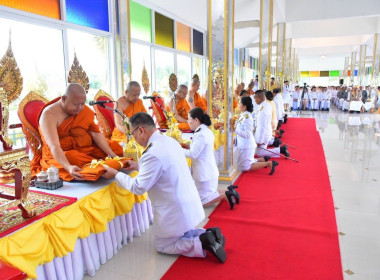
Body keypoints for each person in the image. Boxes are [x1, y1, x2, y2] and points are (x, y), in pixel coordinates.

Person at [101, 112, 227, 262]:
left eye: (133, 134)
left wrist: (116, 174)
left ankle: (201, 242)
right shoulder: (168, 141)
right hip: (189, 202)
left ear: (141, 130)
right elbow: (164, 167)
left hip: (175, 209)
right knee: (179, 233)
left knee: (163, 245)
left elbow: (138, 187)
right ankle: (206, 234)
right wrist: (138, 166)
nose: (133, 140)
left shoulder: (152, 153)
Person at [33, 83, 123, 181]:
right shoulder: (49, 115)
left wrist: (112, 154)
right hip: (59, 154)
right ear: (63, 99)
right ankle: (100, 168)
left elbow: (96, 133)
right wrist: (68, 167)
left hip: (84, 148)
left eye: (82, 104)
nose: (79, 108)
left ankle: (104, 166)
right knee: (73, 158)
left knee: (115, 147)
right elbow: (54, 146)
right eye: (75, 104)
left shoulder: (83, 110)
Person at [182, 108, 240, 209]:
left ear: (196, 120)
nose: (188, 121)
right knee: (209, 193)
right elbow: (199, 149)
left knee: (201, 202)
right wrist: (186, 145)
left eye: (189, 119)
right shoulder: (205, 130)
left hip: (205, 173)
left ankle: (224, 195)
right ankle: (229, 190)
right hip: (208, 171)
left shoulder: (201, 134)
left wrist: (178, 149)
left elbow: (193, 154)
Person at [235, 96, 279, 175]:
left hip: (247, 145)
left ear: (244, 106)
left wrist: (235, 129)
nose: (238, 105)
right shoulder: (243, 115)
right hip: (243, 144)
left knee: (245, 167)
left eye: (240, 104)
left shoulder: (247, 117)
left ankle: (269, 163)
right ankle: (262, 159)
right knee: (241, 165)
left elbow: (247, 134)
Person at [254, 91, 289, 159]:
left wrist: (260, 141)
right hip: (267, 132)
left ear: (259, 98)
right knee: (260, 152)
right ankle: (280, 149)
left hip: (263, 134)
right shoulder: (266, 105)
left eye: (255, 98)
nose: (254, 100)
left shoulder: (263, 109)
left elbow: (262, 126)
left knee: (260, 153)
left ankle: (281, 149)